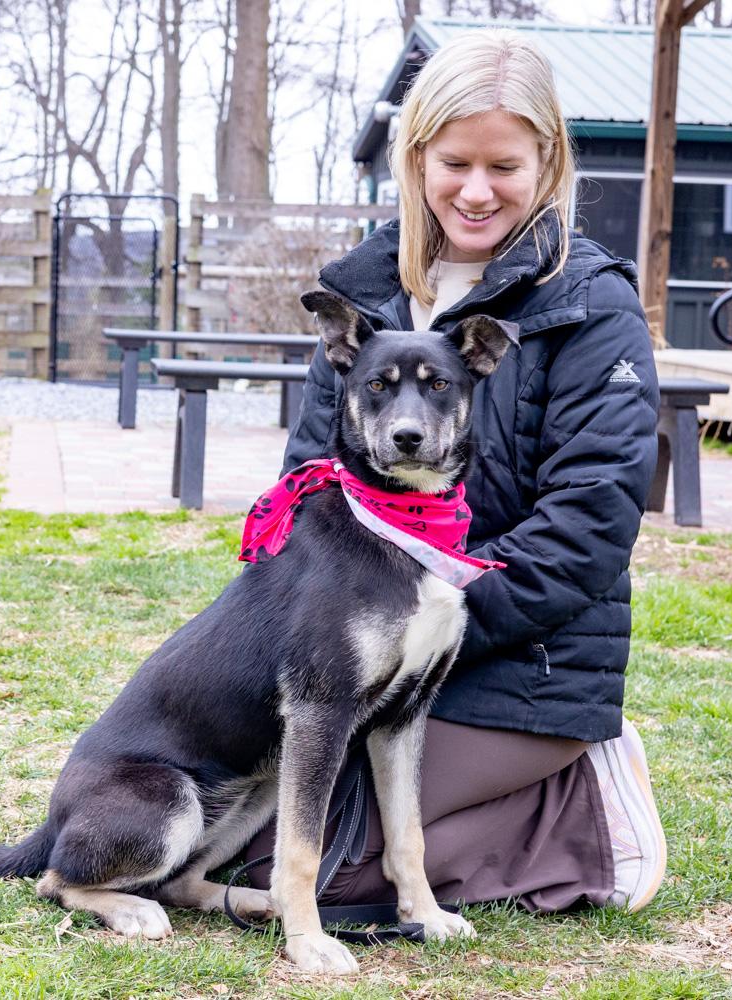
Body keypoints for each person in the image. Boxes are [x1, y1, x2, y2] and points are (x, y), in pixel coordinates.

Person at [245, 29, 666, 915]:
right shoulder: (362, 289)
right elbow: (308, 487)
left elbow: (589, 524)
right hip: (367, 646)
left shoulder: (591, 303)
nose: (477, 191)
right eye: (455, 162)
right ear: (417, 157)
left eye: (505, 165)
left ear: (546, 161)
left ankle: (587, 811)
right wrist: (313, 643)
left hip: (521, 655)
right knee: (229, 829)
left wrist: (417, 636)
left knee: (334, 878)